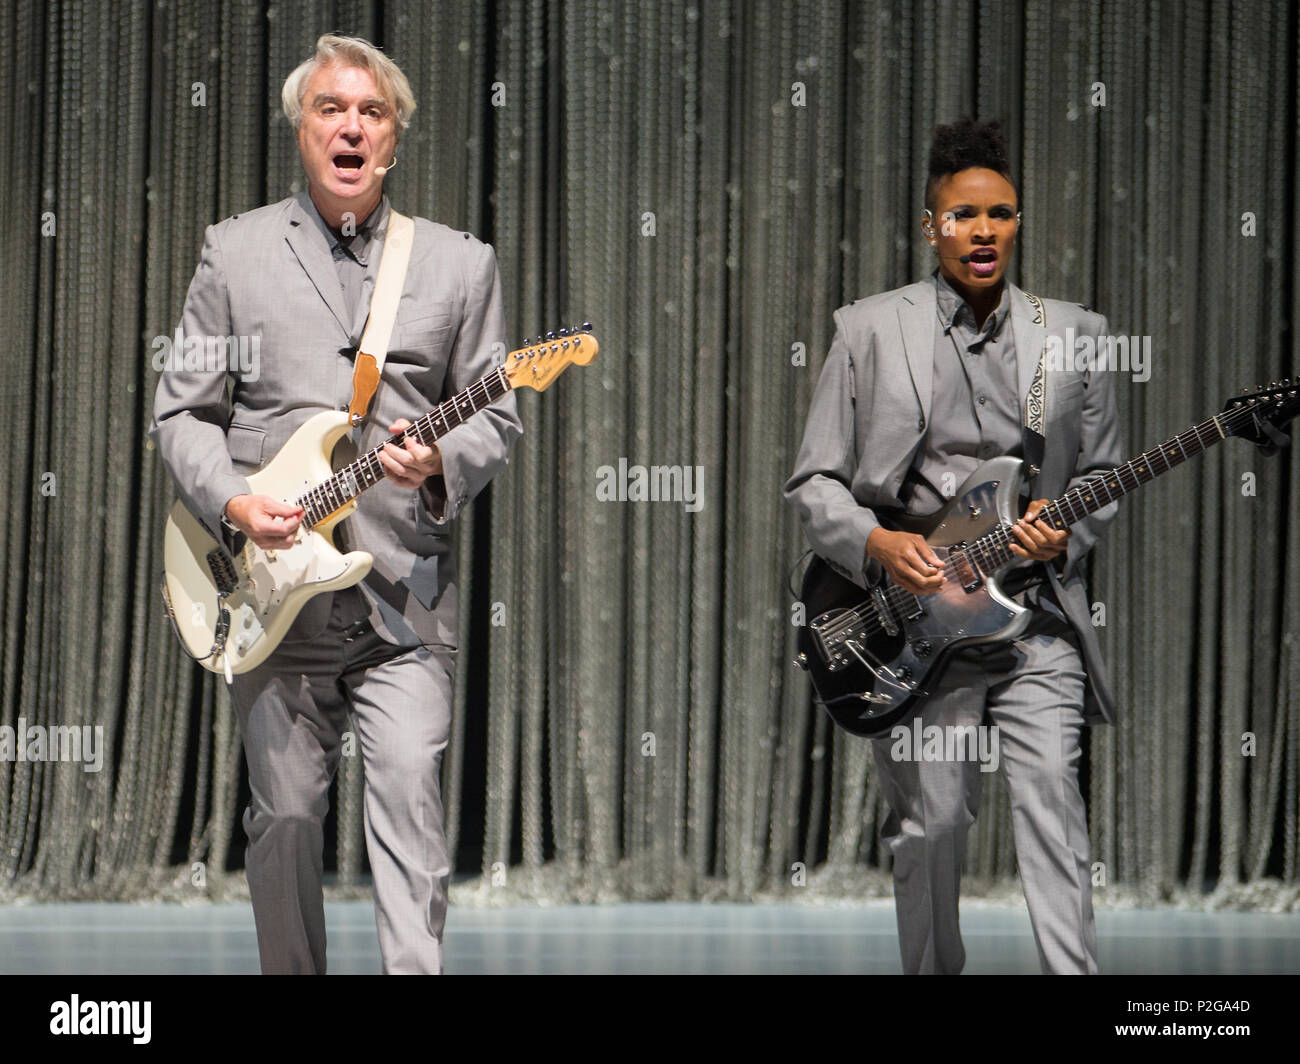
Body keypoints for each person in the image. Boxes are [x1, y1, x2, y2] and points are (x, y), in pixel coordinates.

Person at [151, 34, 522, 974]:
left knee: (408, 795)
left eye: (371, 112)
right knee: (284, 818)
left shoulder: (458, 264)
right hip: (269, 596)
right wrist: (235, 507)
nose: (350, 126)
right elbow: (181, 410)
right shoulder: (232, 253)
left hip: (402, 593)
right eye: (330, 109)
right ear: (302, 129)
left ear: (394, 136)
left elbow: (499, 414)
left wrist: (438, 458)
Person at [784, 118, 1121, 974]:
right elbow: (813, 482)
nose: (982, 231)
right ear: (932, 224)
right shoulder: (867, 328)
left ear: (1017, 223)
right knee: (932, 827)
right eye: (963, 215)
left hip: (1032, 621)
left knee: (1053, 802)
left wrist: (1062, 530)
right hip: (914, 626)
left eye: (1000, 214)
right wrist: (880, 544)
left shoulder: (1072, 336)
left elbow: (1107, 473)